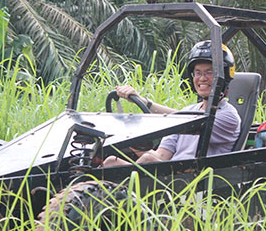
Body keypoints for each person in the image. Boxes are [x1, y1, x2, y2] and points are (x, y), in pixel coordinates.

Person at [103, 40, 241, 166]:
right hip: (170, 175)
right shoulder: (188, 110)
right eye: (198, 73)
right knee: (110, 162)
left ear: (223, 77)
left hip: (196, 179)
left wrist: (145, 102)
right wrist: (133, 141)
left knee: (147, 160)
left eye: (209, 73)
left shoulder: (229, 116)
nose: (202, 79)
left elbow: (189, 121)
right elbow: (161, 155)